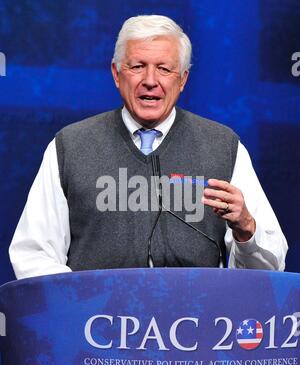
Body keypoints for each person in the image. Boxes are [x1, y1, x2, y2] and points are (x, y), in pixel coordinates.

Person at [9, 15, 288, 279]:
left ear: (183, 80)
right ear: (117, 74)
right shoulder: (68, 146)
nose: (151, 81)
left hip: (194, 323)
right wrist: (81, 304)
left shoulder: (224, 146)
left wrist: (246, 228)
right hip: (96, 325)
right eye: (138, 66)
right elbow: (32, 255)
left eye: (164, 69)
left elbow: (269, 270)